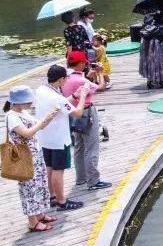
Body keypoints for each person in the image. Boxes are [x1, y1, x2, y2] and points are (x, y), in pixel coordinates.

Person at [35, 64, 90, 211]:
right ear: (61, 80)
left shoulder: (41, 90)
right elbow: (78, 113)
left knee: (50, 167)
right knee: (59, 170)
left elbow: (61, 105)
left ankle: (52, 197)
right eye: (65, 78)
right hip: (59, 140)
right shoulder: (58, 98)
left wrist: (73, 96)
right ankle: (61, 201)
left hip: (45, 138)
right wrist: (83, 95)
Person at [5, 85, 59, 232]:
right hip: (24, 158)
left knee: (39, 184)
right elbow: (27, 133)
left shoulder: (23, 112)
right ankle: (32, 221)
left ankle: (40, 214)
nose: (30, 104)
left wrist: (49, 118)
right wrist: (43, 121)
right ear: (19, 101)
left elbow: (38, 126)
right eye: (28, 101)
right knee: (29, 188)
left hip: (35, 154)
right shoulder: (12, 116)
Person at [62, 51, 110, 192]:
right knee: (92, 147)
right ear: (81, 64)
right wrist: (100, 73)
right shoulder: (82, 81)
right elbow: (101, 88)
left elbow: (79, 84)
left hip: (73, 114)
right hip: (87, 113)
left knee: (79, 147)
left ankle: (81, 178)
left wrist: (89, 76)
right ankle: (93, 180)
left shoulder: (66, 78)